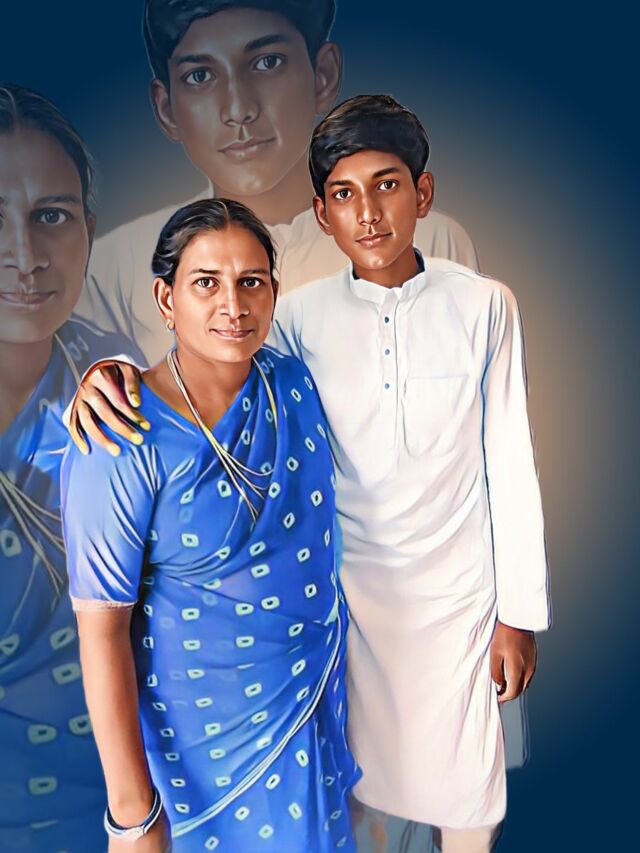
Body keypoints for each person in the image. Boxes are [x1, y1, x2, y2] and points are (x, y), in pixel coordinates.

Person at [66, 95, 551, 853]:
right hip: (336, 619)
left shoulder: (479, 306)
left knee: (466, 795)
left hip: (450, 602)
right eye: (345, 195)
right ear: (322, 214)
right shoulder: (297, 319)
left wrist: (518, 613)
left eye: (388, 186)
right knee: (363, 795)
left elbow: (512, 461)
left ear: (423, 193)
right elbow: (207, 362)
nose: (369, 213)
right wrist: (111, 372)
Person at [60, 198, 360, 852]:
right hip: (200, 755)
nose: (234, 304)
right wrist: (132, 816)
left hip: (311, 719)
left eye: (251, 281)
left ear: (274, 292)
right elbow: (100, 631)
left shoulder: (295, 382)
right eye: (206, 283)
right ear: (165, 299)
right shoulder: (120, 435)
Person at [75, 0, 478, 366]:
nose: (238, 109)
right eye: (200, 75)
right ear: (166, 108)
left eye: (267, 62)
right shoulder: (116, 271)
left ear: (323, 76)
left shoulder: (426, 238)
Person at [0, 84, 145, 852]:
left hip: (122, 807)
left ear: (89, 227)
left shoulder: (115, 373)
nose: (25, 258)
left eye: (50, 216)